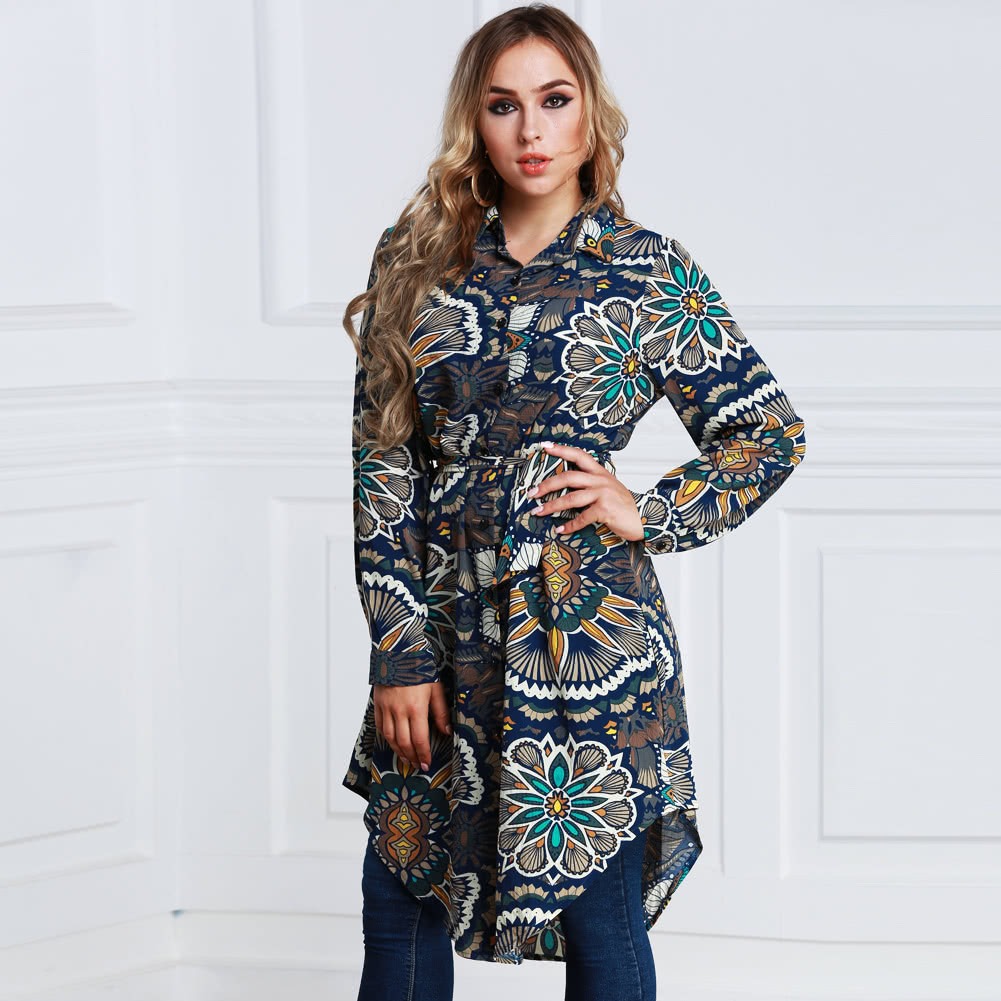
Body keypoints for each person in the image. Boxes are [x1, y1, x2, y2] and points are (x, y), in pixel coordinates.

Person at [340, 4, 807, 999]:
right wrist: (398, 647)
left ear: (590, 112)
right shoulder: (416, 258)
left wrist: (650, 510)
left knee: (601, 920)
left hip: (583, 636)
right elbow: (382, 466)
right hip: (444, 627)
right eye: (502, 105)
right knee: (400, 904)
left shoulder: (647, 272)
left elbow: (768, 433)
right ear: (473, 120)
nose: (530, 130)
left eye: (553, 100)